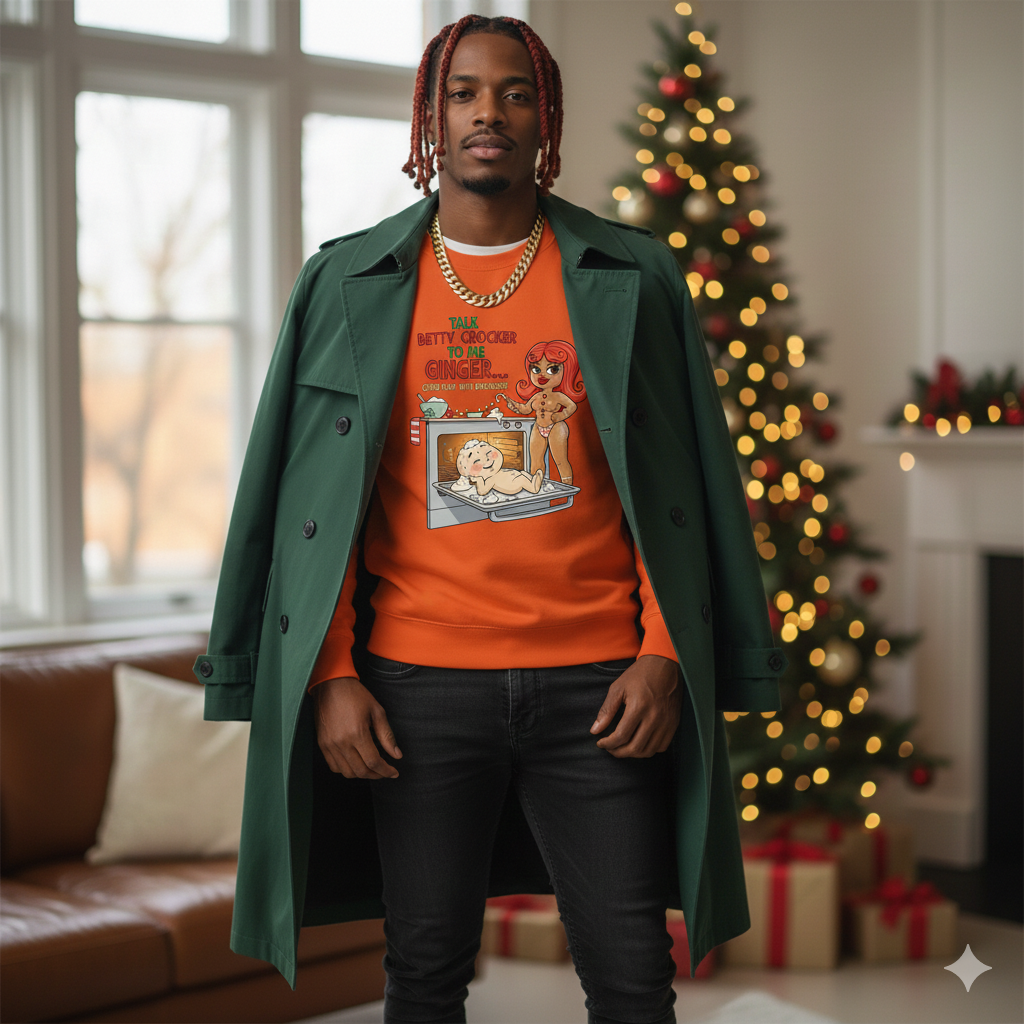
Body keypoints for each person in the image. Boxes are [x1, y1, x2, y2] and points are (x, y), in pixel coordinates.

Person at [195, 14, 786, 1024]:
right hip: (416, 690)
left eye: (514, 92)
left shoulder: (633, 278)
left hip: (602, 687)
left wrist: (663, 653)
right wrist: (332, 674)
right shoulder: (344, 282)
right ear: (431, 116)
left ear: (543, 114)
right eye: (462, 92)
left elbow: (684, 490)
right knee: (422, 974)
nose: (488, 113)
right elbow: (309, 507)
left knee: (635, 976)